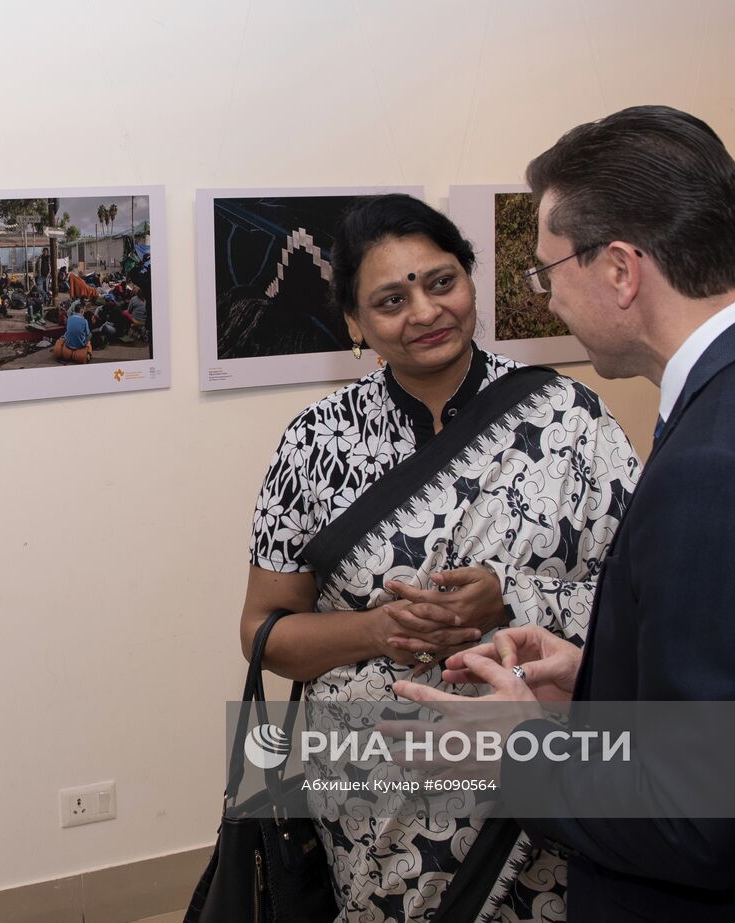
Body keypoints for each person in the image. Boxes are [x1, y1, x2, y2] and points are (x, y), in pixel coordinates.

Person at [394, 106, 735, 922]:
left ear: (618, 270)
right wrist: (608, 680)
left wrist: (515, 749)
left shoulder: (721, 463)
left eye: (547, 271)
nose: (549, 297)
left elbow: (699, 822)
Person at [243, 193, 641, 921]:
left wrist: (512, 598)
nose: (425, 312)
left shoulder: (570, 418)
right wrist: (375, 632)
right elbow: (265, 633)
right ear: (355, 324)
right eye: (391, 299)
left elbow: (650, 609)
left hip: (536, 786)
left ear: (470, 280)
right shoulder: (316, 442)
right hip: (373, 798)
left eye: (441, 282)